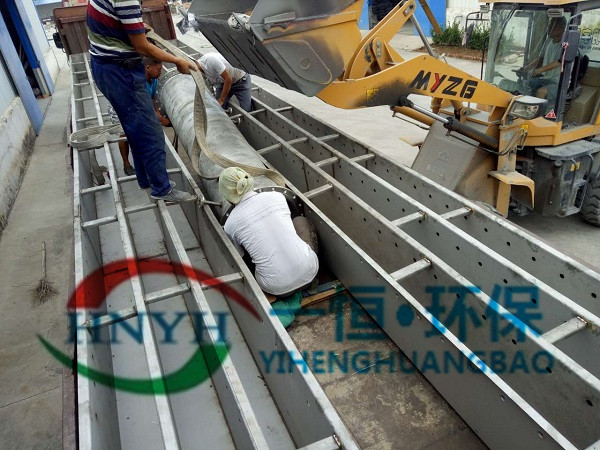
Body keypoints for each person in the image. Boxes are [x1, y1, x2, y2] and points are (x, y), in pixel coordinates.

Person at [87, 0, 195, 202]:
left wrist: (136, 26)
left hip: (106, 66)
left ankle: (146, 179)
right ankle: (161, 189)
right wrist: (177, 60)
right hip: (121, 71)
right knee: (150, 132)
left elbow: (114, 21)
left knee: (135, 129)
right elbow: (142, 47)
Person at [219, 167, 318, 296]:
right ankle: (312, 284)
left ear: (227, 195)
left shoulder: (230, 224)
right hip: (310, 272)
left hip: (276, 288)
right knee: (300, 221)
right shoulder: (277, 196)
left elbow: (241, 257)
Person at [108, 57, 170, 176]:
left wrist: (159, 115)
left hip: (136, 107)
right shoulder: (138, 83)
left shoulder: (154, 80)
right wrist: (163, 120)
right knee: (124, 134)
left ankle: (147, 161)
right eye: (158, 69)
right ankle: (126, 164)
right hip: (120, 108)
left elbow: (152, 100)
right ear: (148, 67)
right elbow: (146, 108)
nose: (160, 72)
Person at [517, 17, 567, 106]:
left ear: (561, 28)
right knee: (523, 84)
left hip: (559, 83)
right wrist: (525, 69)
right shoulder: (549, 41)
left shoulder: (566, 43)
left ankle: (536, 114)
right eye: (549, 26)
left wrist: (539, 70)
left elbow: (559, 61)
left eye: (551, 26)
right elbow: (540, 58)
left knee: (541, 92)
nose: (548, 29)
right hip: (545, 79)